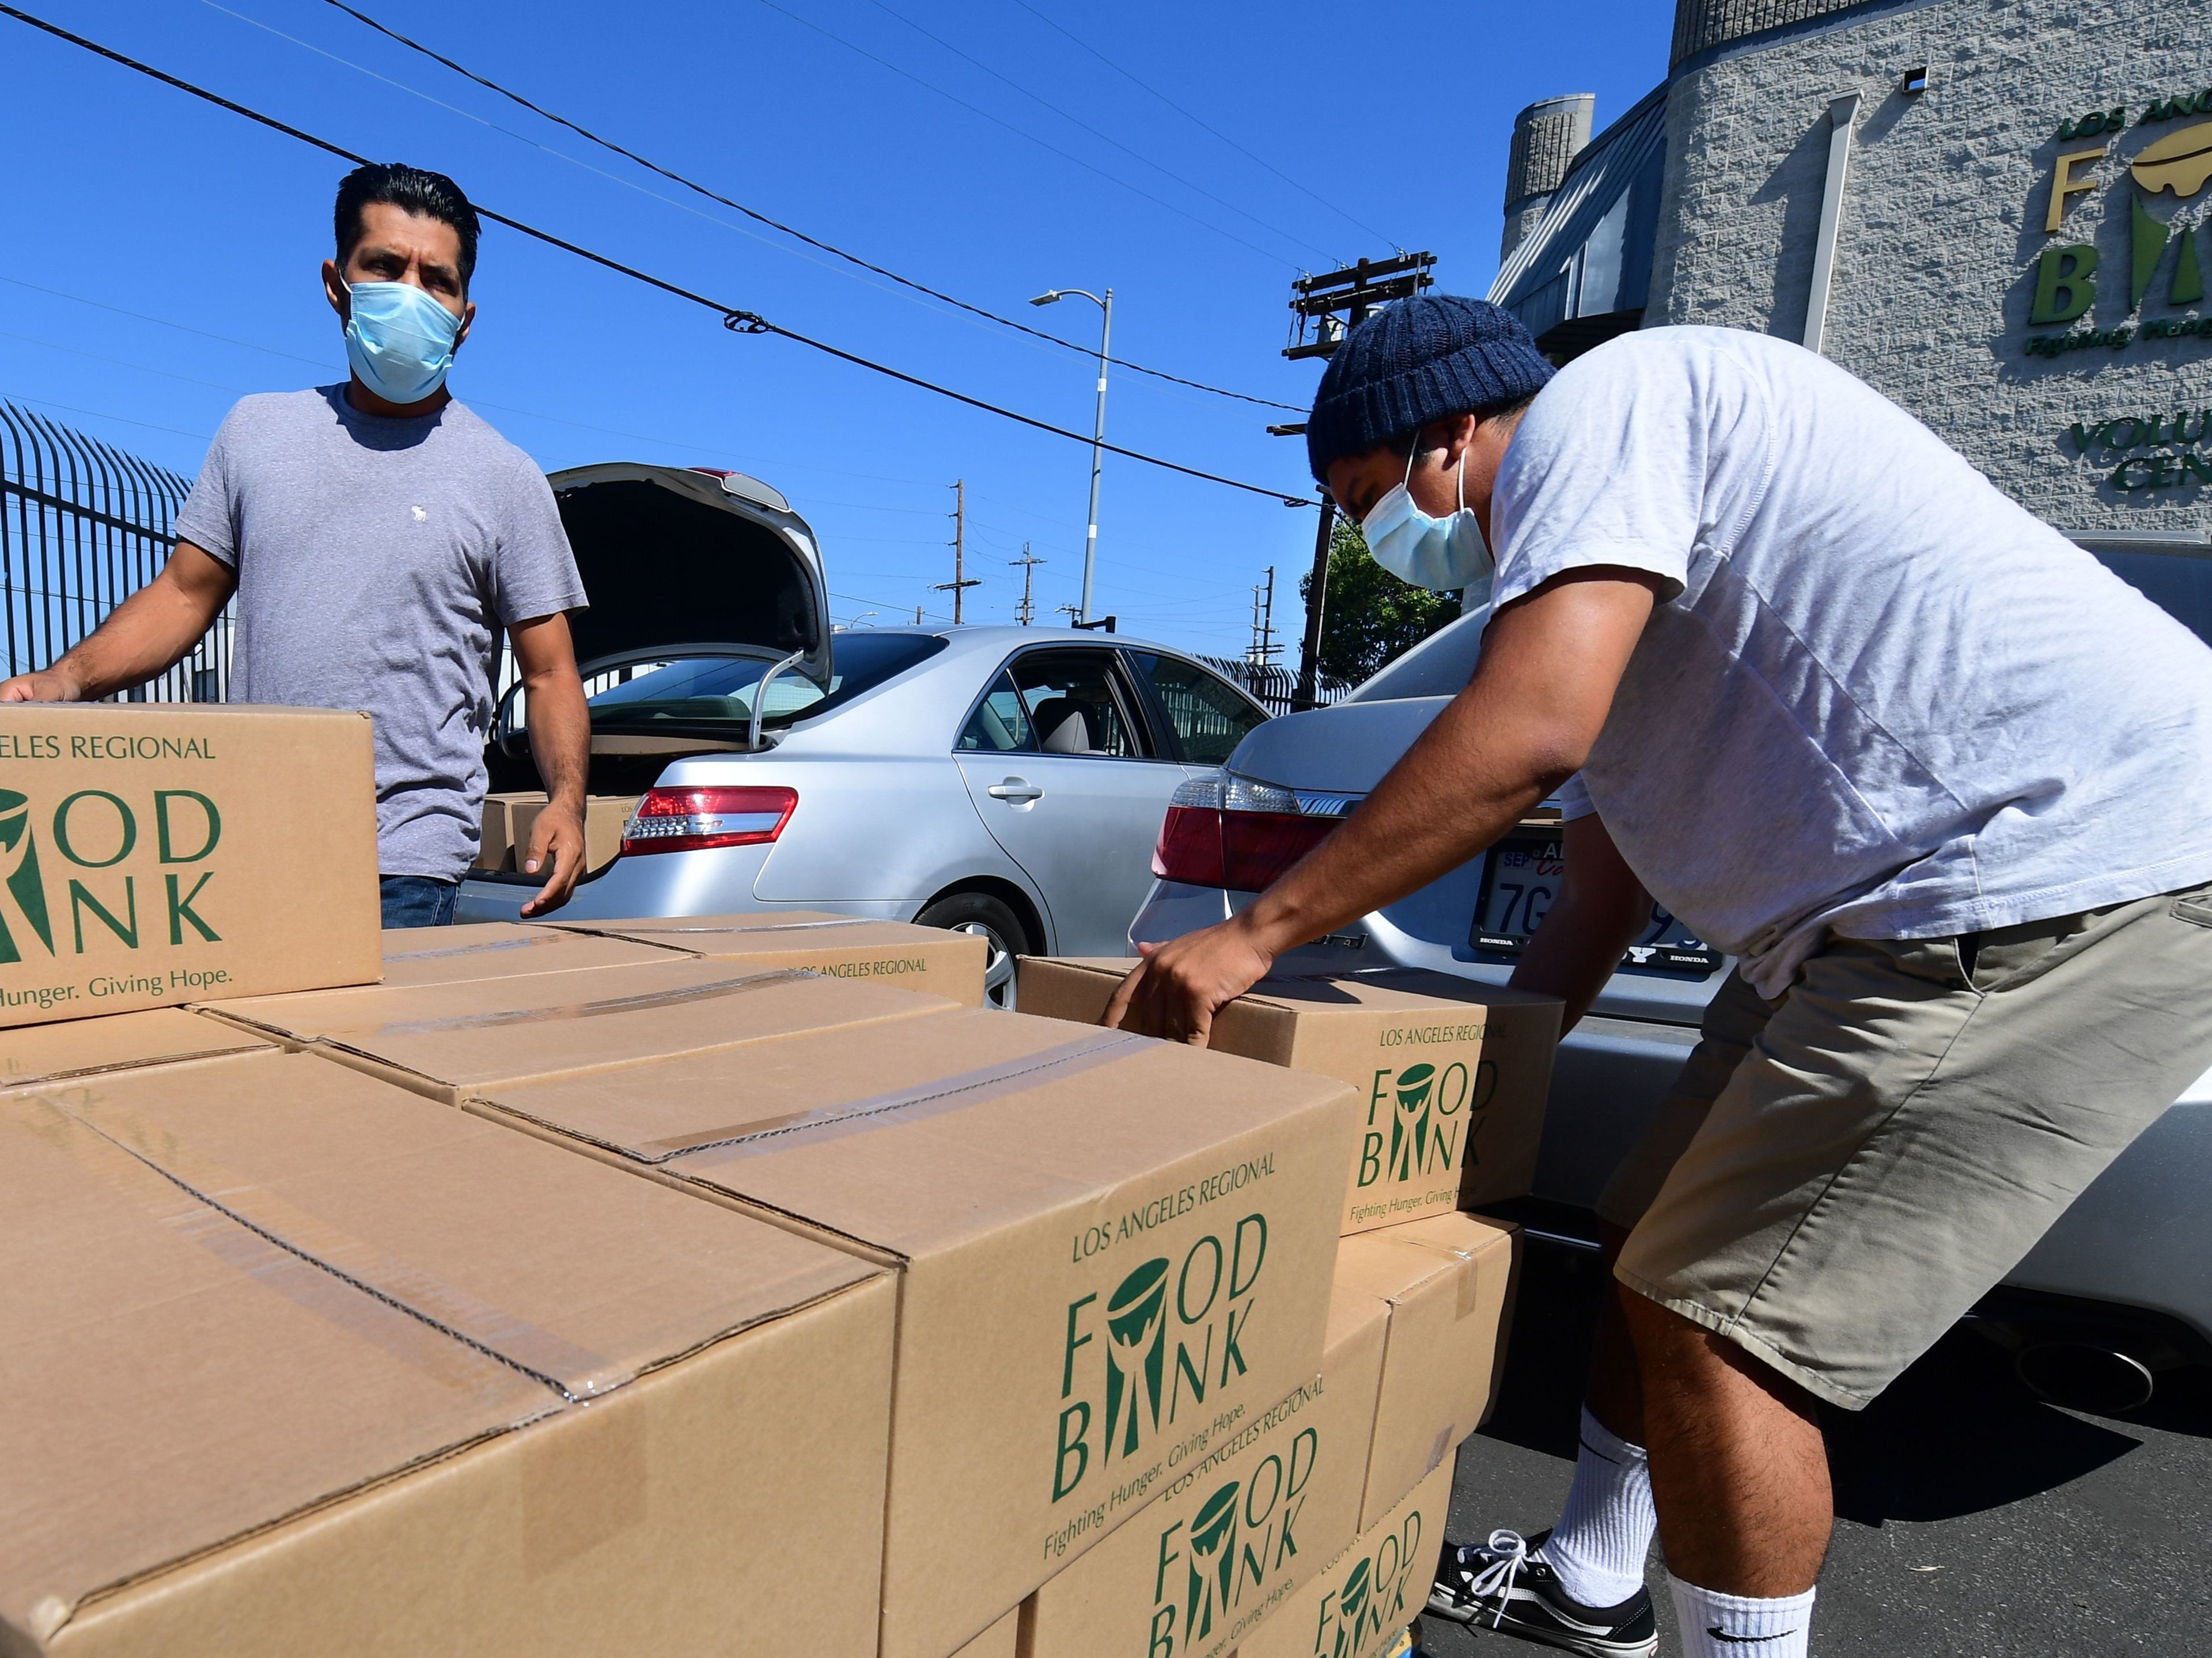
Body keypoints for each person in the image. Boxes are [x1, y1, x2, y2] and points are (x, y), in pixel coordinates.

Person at [1105, 296, 2212, 1658]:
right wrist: (1453, 1114)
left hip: (2038, 879)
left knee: (1715, 1326)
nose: (1370, 534)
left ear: (1452, 433)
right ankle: (1594, 1578)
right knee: (1648, 1242)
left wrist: (1256, 931)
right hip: (1853, 929)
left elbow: (1527, 736)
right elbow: (1594, 902)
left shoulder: (1607, 410)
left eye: (1365, 495)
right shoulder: (1595, 591)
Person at [0, 161, 591, 928]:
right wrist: (64, 680)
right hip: (247, 840)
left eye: (435, 280)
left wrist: (567, 804)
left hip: (404, 866)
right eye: (385, 266)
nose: (410, 293)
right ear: (336, 282)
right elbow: (184, 593)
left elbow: (549, 673)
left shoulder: (504, 477)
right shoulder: (257, 431)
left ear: (464, 315)